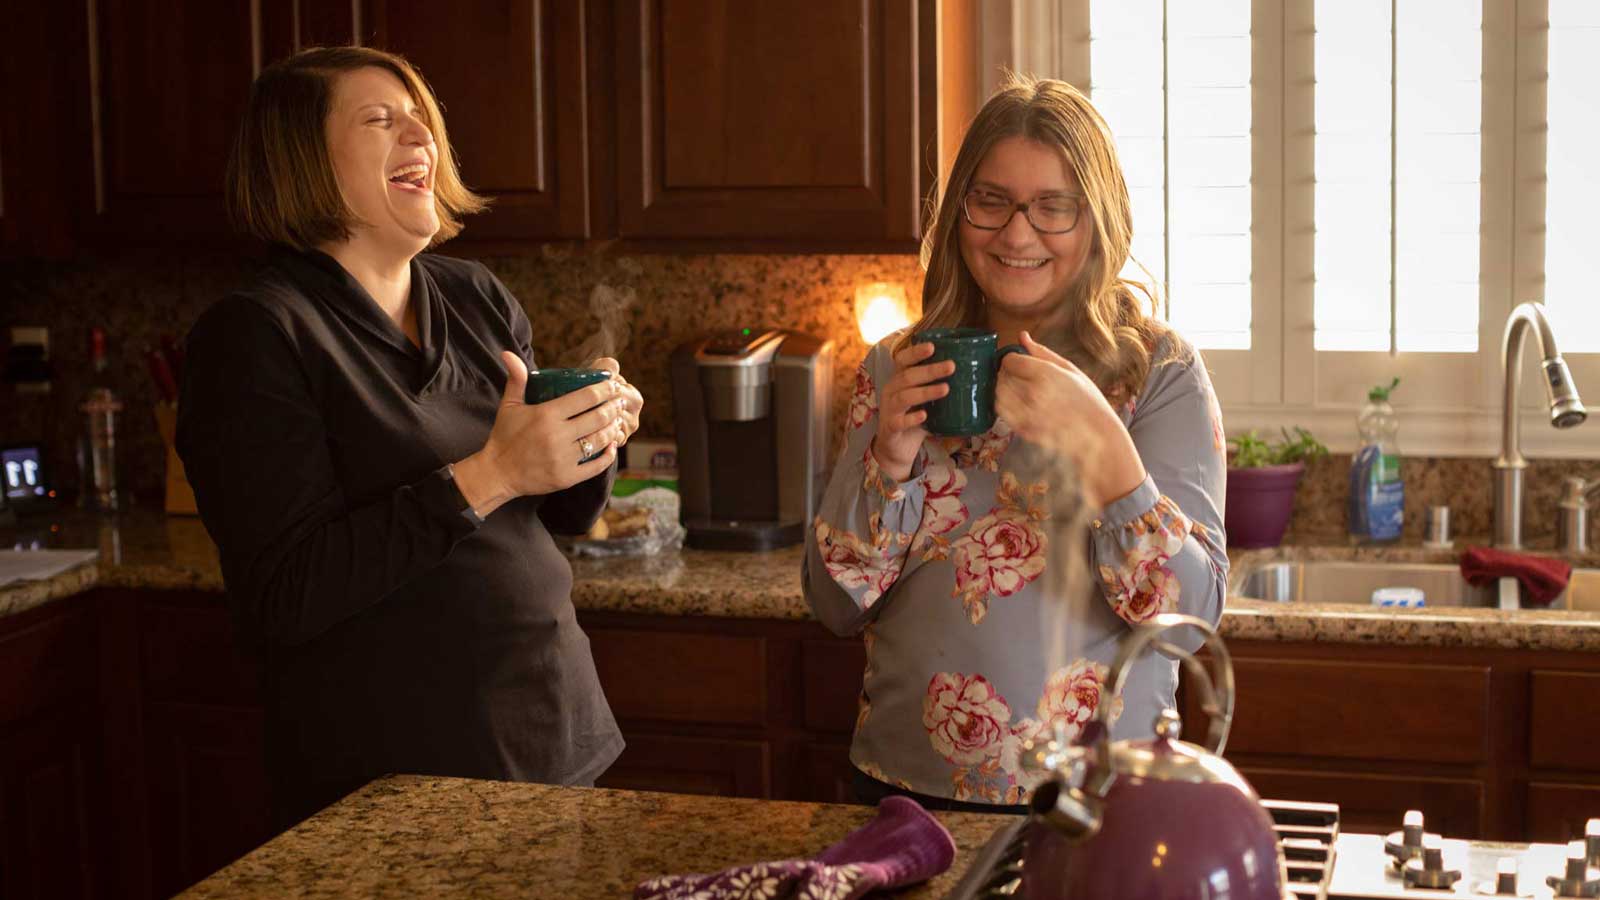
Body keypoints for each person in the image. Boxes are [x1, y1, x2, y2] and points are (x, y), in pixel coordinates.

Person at [176, 46, 643, 830]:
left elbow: (560, 514)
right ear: (304, 161)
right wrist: (490, 472)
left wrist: (590, 437)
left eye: (422, 121)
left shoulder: (474, 295)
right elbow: (285, 596)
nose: (419, 137)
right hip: (393, 780)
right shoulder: (256, 334)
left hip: (554, 736)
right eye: (379, 120)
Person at [804, 75, 1229, 811]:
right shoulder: (896, 365)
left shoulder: (1157, 372)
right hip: (905, 792)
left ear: (1098, 220)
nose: (1017, 234)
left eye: (1053, 207)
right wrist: (890, 460)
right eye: (991, 200)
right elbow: (833, 605)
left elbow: (1185, 626)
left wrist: (1105, 450)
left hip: (1097, 801)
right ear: (960, 208)